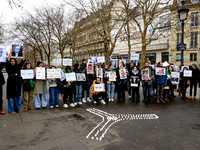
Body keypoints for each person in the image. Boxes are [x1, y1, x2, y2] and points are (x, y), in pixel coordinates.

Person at [6, 49, 25, 114]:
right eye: (11, 61)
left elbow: (23, 61)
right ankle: (11, 110)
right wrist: (10, 53)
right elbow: (7, 61)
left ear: (15, 62)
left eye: (14, 61)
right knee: (11, 97)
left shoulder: (17, 67)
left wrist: (23, 53)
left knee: (17, 96)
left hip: (17, 83)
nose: (12, 62)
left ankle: (17, 108)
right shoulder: (8, 67)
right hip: (11, 83)